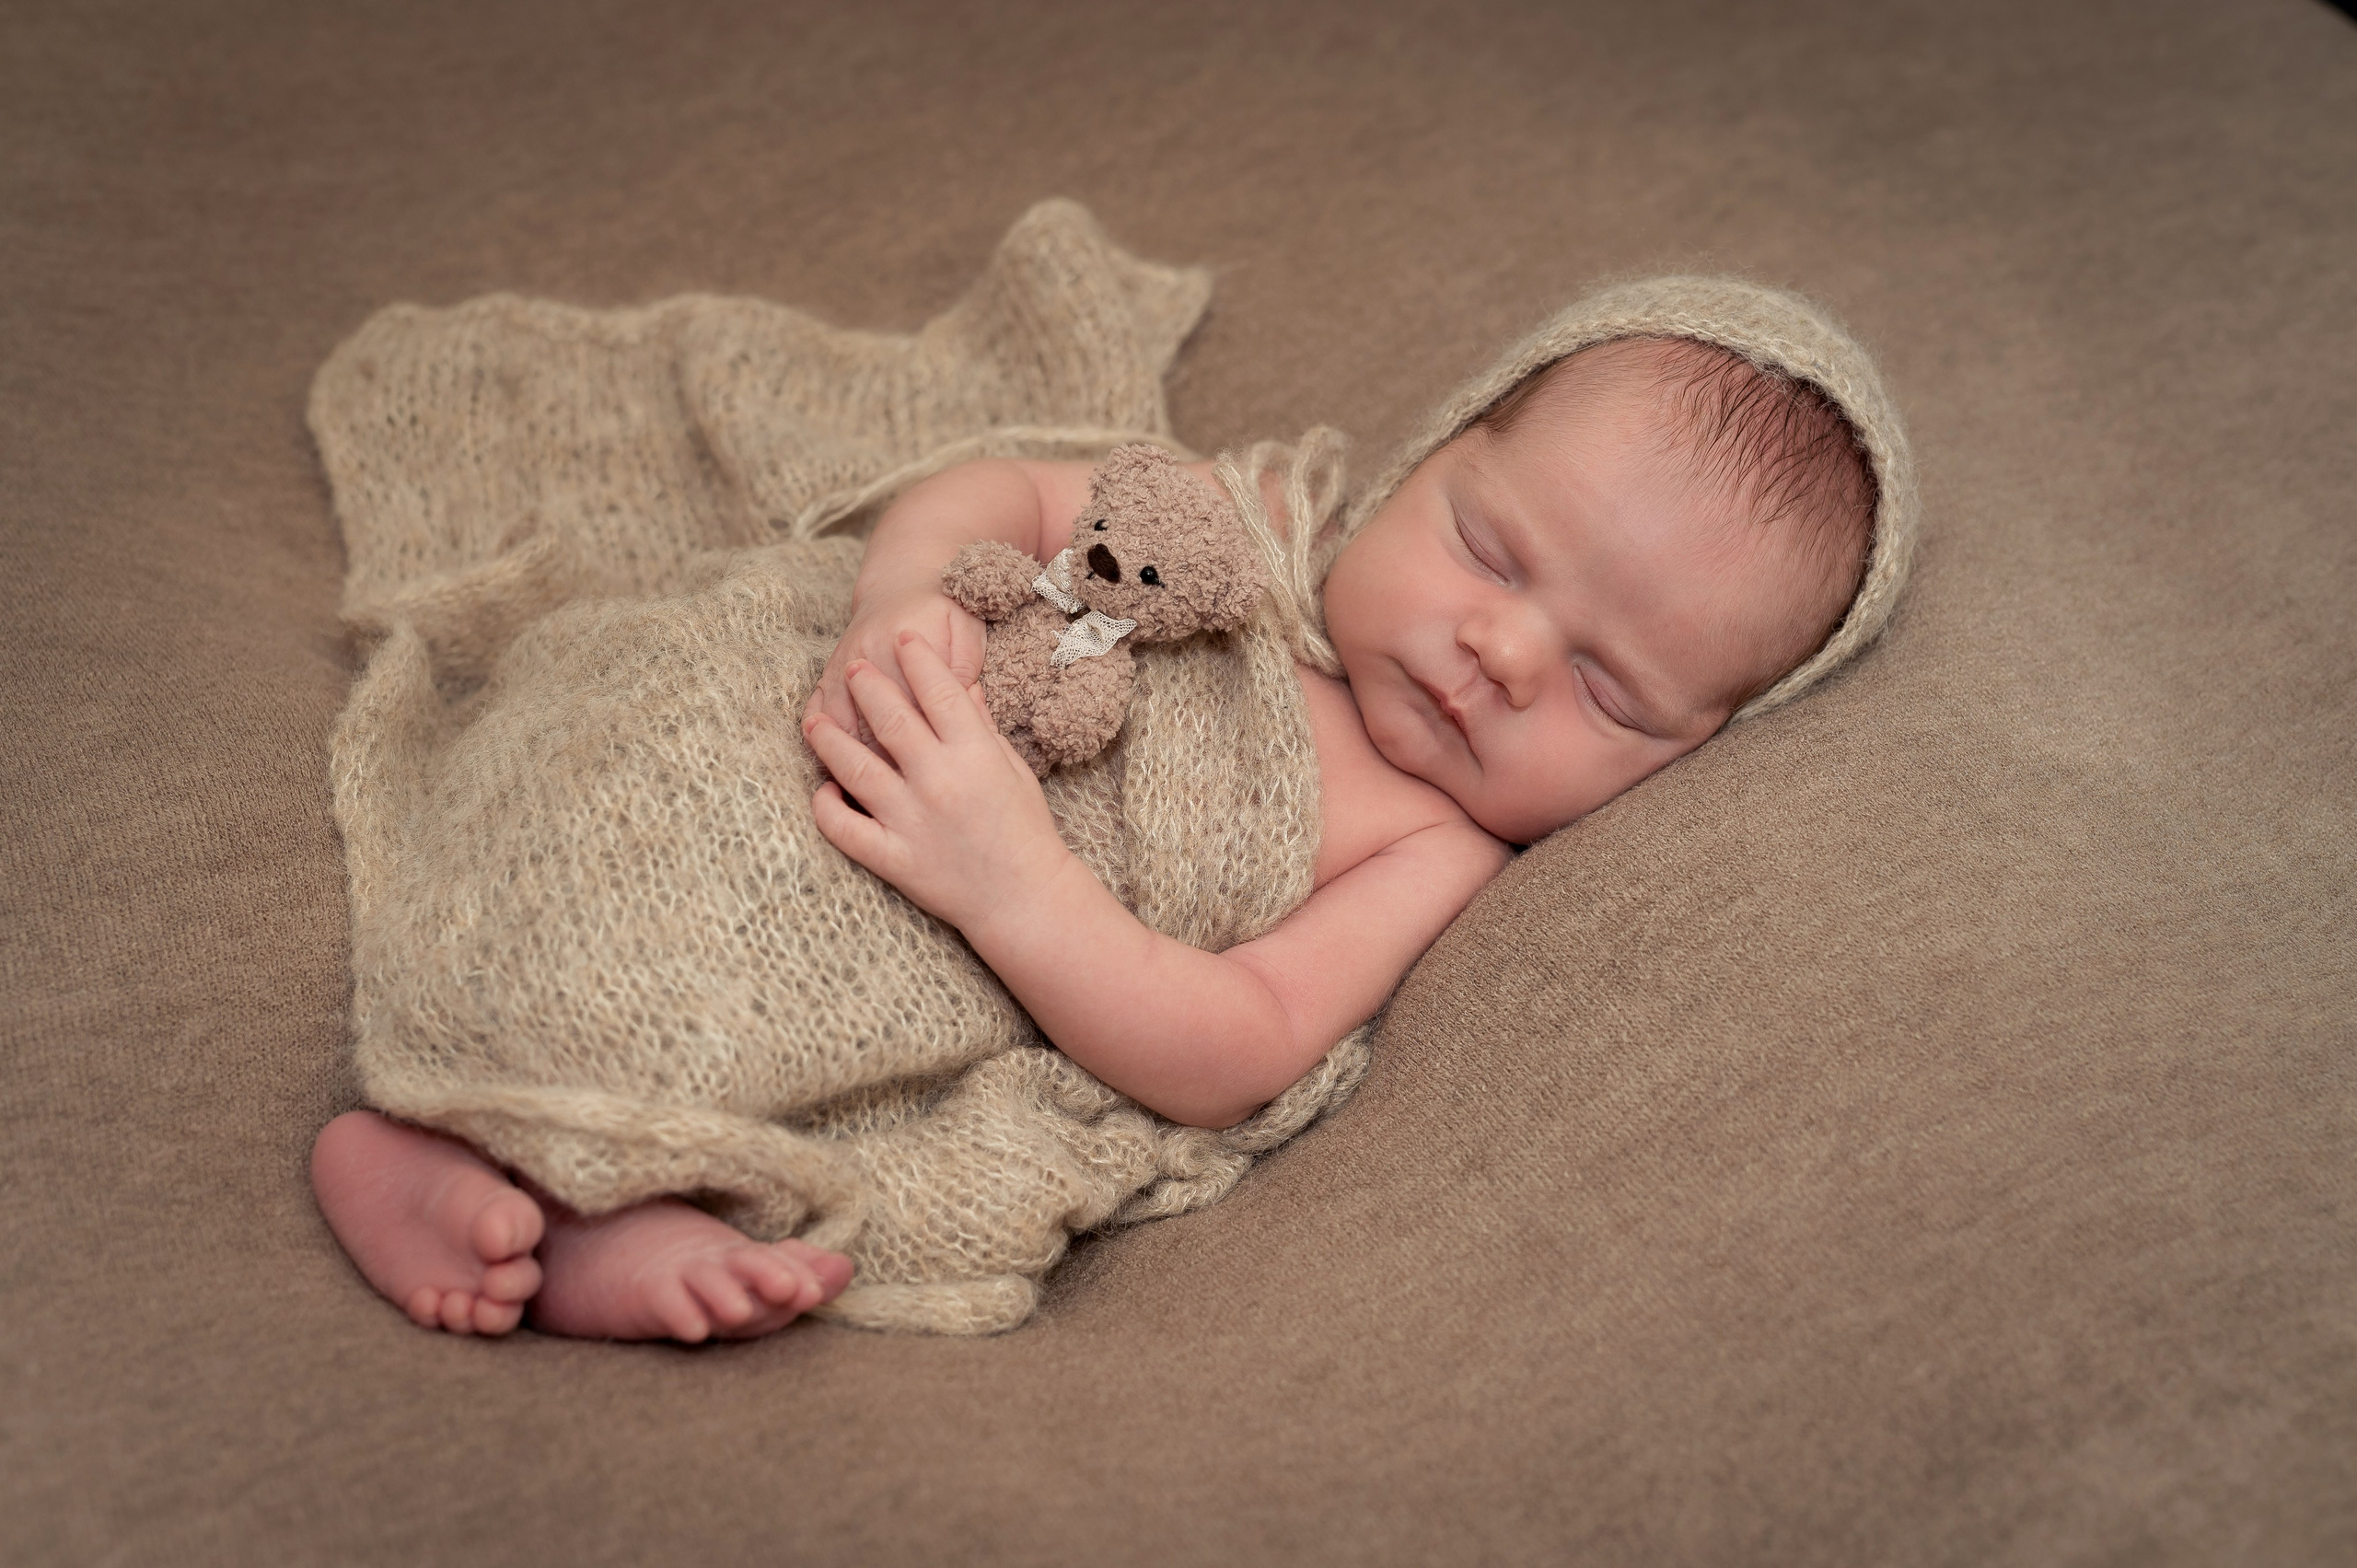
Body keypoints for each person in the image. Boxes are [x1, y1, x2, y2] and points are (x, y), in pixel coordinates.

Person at [309, 285, 1912, 1343]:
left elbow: (1240, 1042)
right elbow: (996, 494)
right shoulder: (1228, 515)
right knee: (631, 770)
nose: (1500, 656)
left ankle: (561, 1200)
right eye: (1492, 554)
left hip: (942, 926)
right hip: (806, 718)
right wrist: (897, 602)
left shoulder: (1435, 848)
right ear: (1430, 457)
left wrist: (1016, 887)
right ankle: (478, 1090)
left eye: (1610, 693)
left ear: (1692, 753)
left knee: (797, 1048)